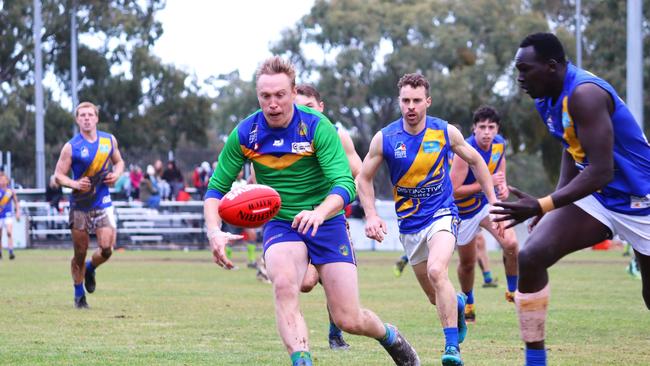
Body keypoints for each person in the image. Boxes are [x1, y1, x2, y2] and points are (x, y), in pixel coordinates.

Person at [204, 56, 419, 366]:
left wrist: (319, 212)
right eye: (265, 96)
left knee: (348, 318)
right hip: (282, 223)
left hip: (327, 222)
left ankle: (389, 335)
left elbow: (345, 183)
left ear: (293, 92)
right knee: (284, 285)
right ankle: (302, 360)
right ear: (258, 96)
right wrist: (215, 231)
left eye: (280, 95)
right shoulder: (246, 133)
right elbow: (215, 188)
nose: (273, 103)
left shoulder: (317, 127)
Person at [492, 32, 650, 366]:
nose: (520, 78)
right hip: (600, 198)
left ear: (551, 67)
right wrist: (556, 203)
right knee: (531, 256)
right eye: (516, 70)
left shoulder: (585, 95)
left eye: (526, 69)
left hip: (642, 201)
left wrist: (543, 203)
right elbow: (572, 149)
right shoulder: (545, 97)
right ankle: (536, 361)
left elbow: (601, 170)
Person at [358, 73, 503, 366]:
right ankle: (458, 304)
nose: (411, 106)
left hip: (443, 214)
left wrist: (495, 202)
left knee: (439, 272)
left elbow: (477, 161)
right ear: (400, 102)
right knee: (435, 297)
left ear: (428, 101)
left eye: (416, 100)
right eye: (405, 101)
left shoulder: (445, 132)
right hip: (410, 226)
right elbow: (364, 178)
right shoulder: (385, 138)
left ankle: (451, 349)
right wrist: (371, 215)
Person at [294, 83, 363, 351]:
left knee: (329, 278)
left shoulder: (336, 135)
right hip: (296, 220)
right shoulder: (286, 138)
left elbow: (359, 173)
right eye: (298, 107)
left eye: (309, 106)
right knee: (307, 283)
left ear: (321, 107)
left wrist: (337, 203)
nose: (304, 112)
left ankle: (335, 332)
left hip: (330, 221)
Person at [451, 106, 519, 323]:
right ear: (474, 129)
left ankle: (512, 291)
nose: (487, 132)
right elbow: (454, 190)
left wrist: (503, 183)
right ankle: (469, 302)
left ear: (497, 128)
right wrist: (486, 182)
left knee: (511, 244)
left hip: (486, 206)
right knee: (468, 263)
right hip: (463, 212)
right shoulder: (465, 151)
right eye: (482, 127)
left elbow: (500, 163)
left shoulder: (499, 143)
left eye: (491, 127)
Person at [54, 101, 125, 309]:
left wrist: (116, 175)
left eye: (90, 115)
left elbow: (119, 162)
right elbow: (58, 175)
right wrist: (75, 183)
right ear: (77, 120)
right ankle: (79, 295)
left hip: (102, 201)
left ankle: (90, 268)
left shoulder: (108, 140)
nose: (86, 118)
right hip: (79, 205)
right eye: (82, 115)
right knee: (80, 252)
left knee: (106, 249)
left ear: (96, 118)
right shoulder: (71, 147)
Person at [0, 172, 20, 260]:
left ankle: (11, 251)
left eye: (4, 180)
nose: (2, 181)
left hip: (8, 215)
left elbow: (16, 202)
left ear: (7, 181)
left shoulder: (10, 191)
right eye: (1, 180)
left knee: (9, 233)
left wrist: (17, 212)